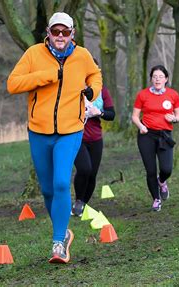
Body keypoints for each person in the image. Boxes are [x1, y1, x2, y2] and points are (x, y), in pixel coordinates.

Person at [7, 12, 102, 263]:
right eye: (56, 31)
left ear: (73, 34)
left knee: (61, 182)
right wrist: (46, 76)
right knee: (48, 189)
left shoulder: (81, 56)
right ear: (48, 32)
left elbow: (95, 75)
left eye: (66, 32)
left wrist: (93, 90)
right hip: (39, 130)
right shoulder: (33, 54)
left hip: (71, 129)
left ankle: (58, 241)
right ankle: (64, 232)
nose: (61, 36)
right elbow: (13, 84)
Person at [131, 65, 179, 212]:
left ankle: (162, 181)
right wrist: (141, 126)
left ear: (166, 79)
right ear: (151, 79)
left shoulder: (173, 95)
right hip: (146, 135)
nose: (157, 79)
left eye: (160, 77)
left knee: (167, 168)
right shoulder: (143, 95)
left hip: (165, 135)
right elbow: (134, 116)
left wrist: (174, 119)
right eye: (154, 77)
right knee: (151, 170)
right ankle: (156, 199)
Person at [71, 60, 115, 217]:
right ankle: (78, 200)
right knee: (84, 168)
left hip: (96, 138)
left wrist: (99, 113)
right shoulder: (72, 90)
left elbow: (111, 114)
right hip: (76, 137)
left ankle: (83, 204)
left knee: (92, 174)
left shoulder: (102, 92)